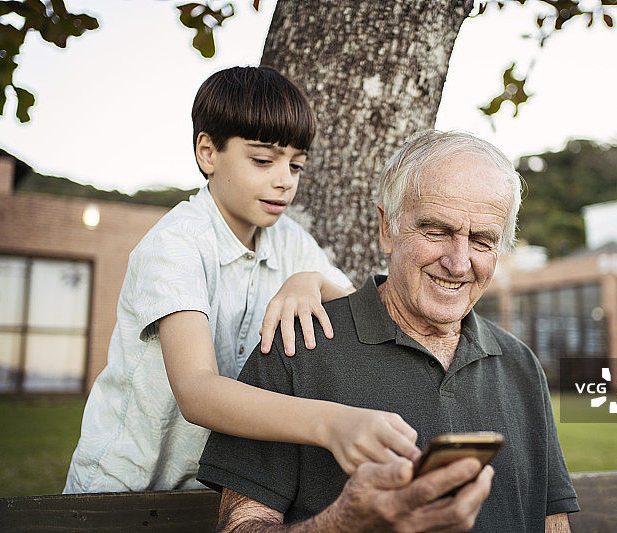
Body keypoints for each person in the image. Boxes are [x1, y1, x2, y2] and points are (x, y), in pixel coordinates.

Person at [197, 130, 579, 531]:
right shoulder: (298, 344)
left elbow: (553, 523)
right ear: (386, 228)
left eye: (482, 240)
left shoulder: (521, 364)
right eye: (437, 231)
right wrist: (346, 524)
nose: (459, 262)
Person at [64, 66, 420, 493]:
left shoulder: (290, 240)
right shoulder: (175, 246)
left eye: (297, 166)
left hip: (216, 491)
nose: (284, 180)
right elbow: (197, 392)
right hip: (122, 490)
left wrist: (309, 280)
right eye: (263, 160)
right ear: (208, 153)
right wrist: (331, 423)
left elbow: (357, 314)